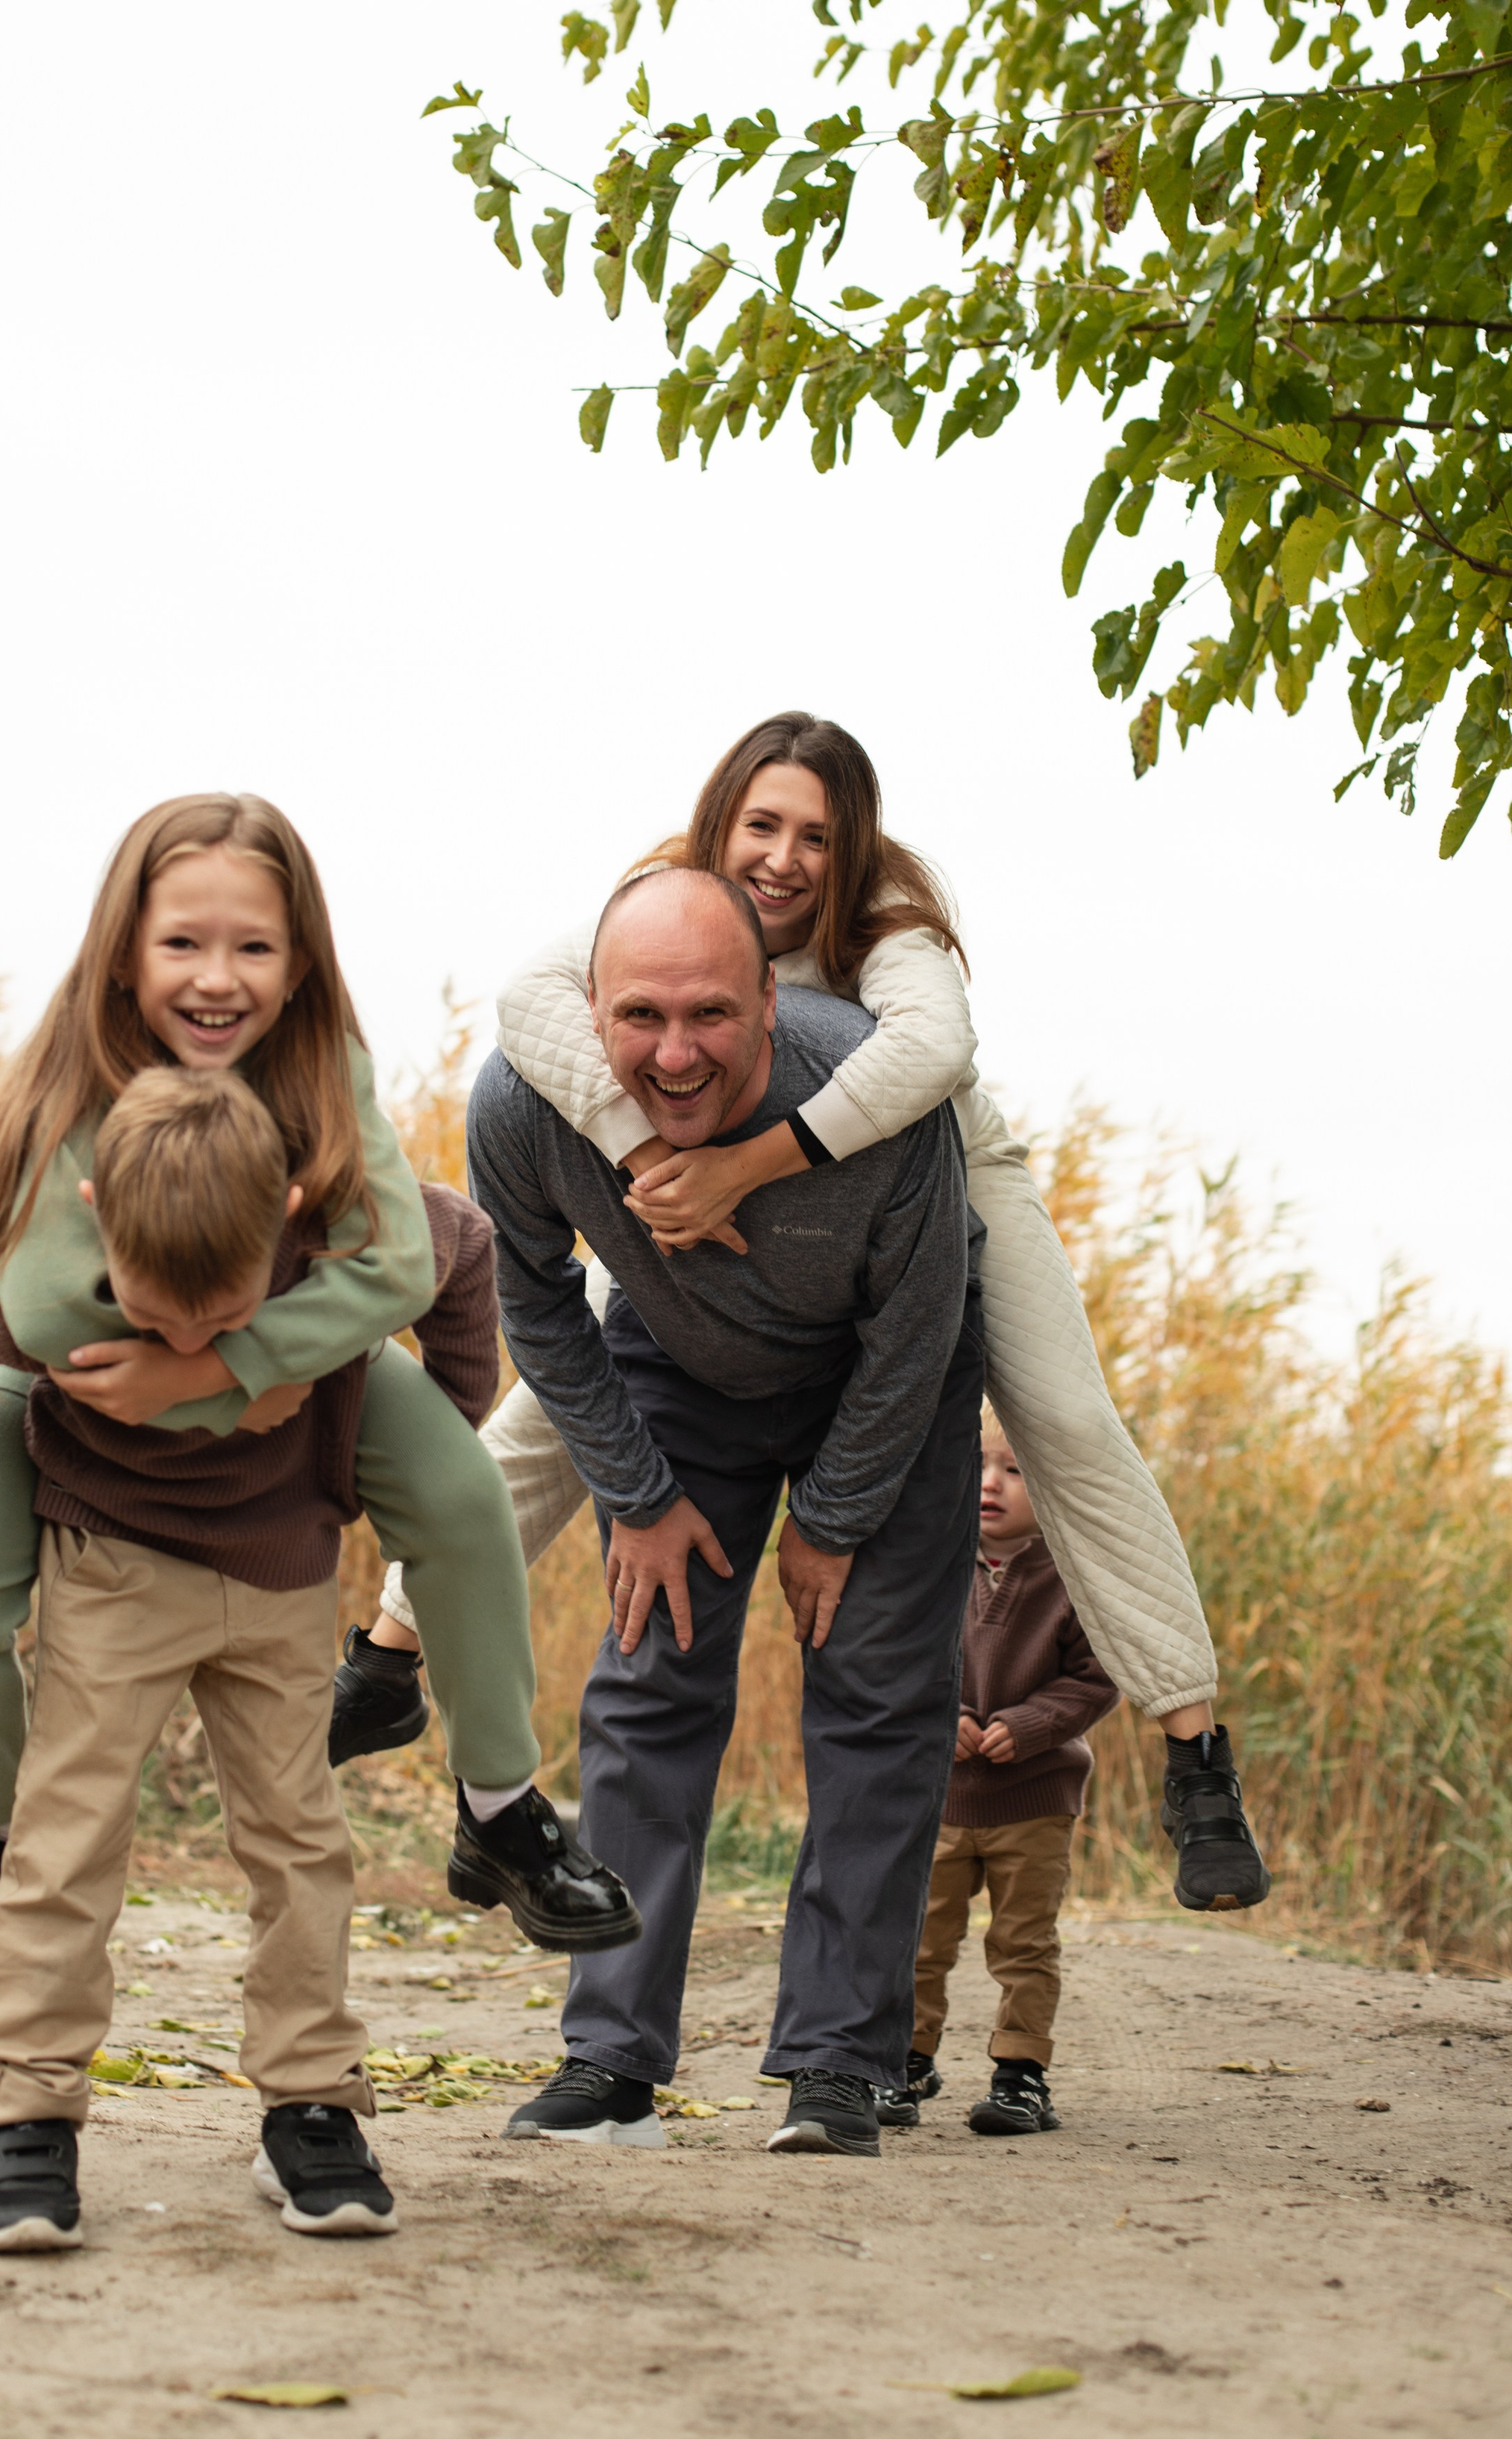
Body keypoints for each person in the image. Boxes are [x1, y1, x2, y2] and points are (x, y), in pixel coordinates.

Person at [354, 713, 1267, 1917]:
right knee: (557, 1402)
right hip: (703, 1177)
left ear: (855, 851)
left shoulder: (887, 927)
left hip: (938, 1182)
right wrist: (654, 1164)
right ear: (720, 821)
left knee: (1064, 1417)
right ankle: (387, 1658)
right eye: (763, 825)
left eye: (818, 837)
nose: (784, 860)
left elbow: (933, 1049)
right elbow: (530, 1001)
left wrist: (747, 1165)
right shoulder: (669, 903)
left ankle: (1196, 1754)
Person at [0, 794, 636, 2002]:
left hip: (298, 1348)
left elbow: (401, 1262)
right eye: (183, 943)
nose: (218, 978)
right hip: (57, 1374)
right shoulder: (66, 1077)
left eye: (254, 947)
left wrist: (237, 1370)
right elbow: (44, 1302)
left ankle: (500, 1807)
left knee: (464, 1499)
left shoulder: (324, 1070)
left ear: (300, 962)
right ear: (124, 951)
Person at [466, 864, 985, 2159]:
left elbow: (919, 1326)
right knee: (651, 1677)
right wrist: (636, 1496)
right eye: (640, 1017)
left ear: (770, 1001)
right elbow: (536, 1303)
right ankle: (610, 2062)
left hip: (882, 1379)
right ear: (592, 1011)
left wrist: (835, 1518)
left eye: (710, 1014)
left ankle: (839, 2065)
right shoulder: (525, 1106)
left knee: (878, 1695)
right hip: (679, 1366)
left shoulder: (871, 1092)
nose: (675, 1053)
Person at [0, 1065, 423, 2244]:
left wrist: (418, 1447)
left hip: (279, 1572)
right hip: (114, 1566)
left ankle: (312, 2102)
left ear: (284, 1227)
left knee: (299, 1839)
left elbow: (462, 1255)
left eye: (217, 1317)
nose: (181, 1341)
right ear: (96, 1217)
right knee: (65, 1834)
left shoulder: (326, 1255)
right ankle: (28, 2110)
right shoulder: (46, 1275)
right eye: (151, 1311)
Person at [898, 1415, 1118, 2139]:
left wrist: (1030, 1725)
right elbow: (901, 1657)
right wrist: (946, 1714)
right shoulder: (932, 1561)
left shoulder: (1074, 1576)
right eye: (980, 1463)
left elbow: (1096, 1678)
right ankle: (906, 2059)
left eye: (1016, 1470)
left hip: (1034, 1800)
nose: (992, 1483)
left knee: (1024, 1942)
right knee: (920, 1937)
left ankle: (1021, 2076)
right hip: (941, 1800)